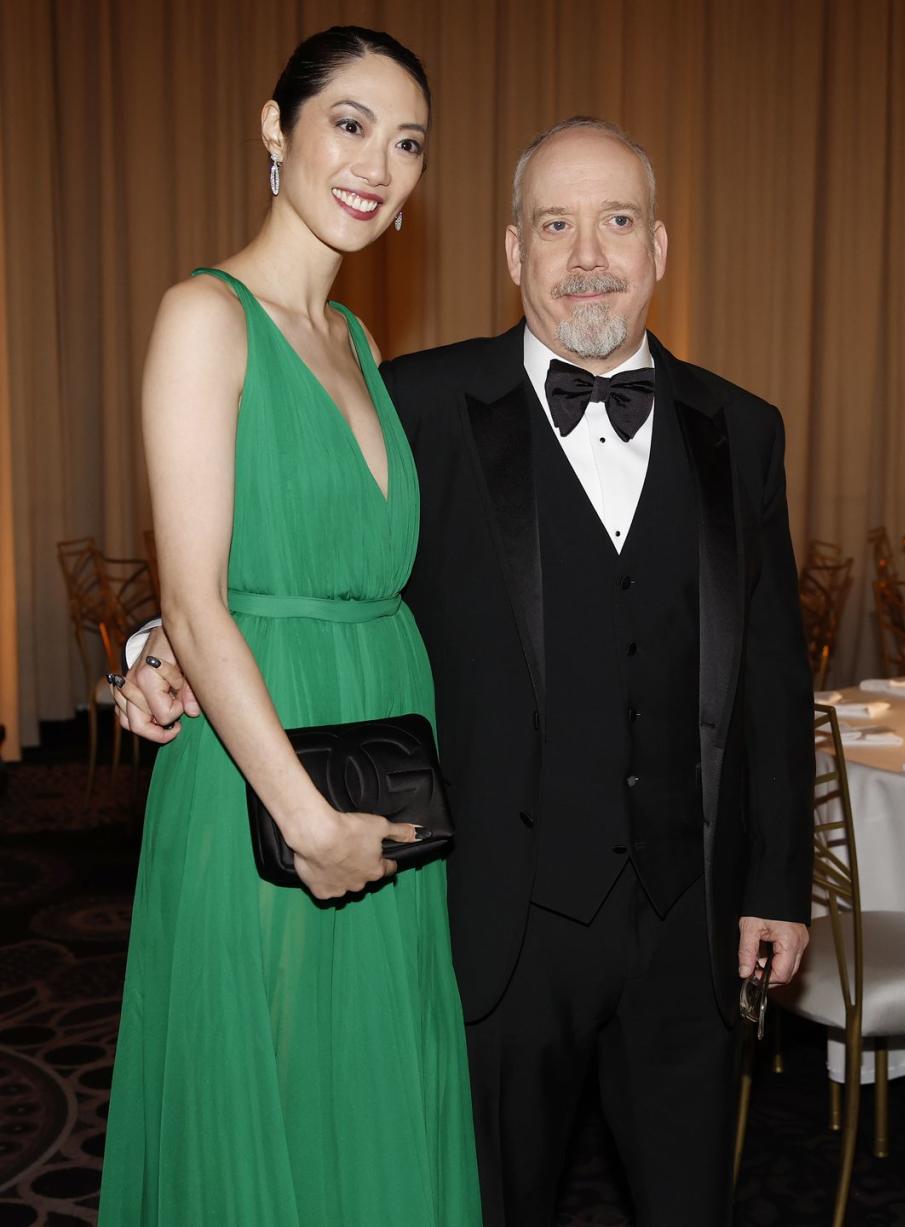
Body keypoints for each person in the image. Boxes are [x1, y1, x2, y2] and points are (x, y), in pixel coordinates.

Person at [119, 117, 814, 1226]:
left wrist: (779, 881)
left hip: (690, 918)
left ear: (661, 250)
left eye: (617, 222)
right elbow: (279, 545)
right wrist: (157, 642)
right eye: (555, 225)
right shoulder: (415, 405)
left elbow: (774, 672)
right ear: (511, 253)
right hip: (493, 920)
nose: (588, 255)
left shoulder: (746, 429)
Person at [99, 27, 482, 1227]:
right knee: (262, 1110)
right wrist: (308, 823)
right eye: (350, 123)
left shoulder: (360, 344)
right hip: (267, 791)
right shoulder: (205, 317)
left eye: (408, 141)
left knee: (372, 1105)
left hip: (383, 771)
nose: (379, 163)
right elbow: (197, 601)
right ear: (278, 130)